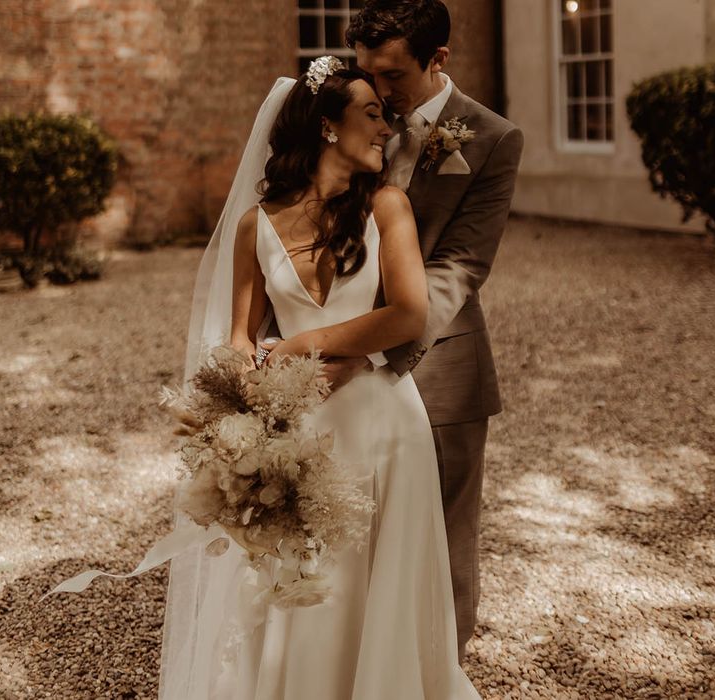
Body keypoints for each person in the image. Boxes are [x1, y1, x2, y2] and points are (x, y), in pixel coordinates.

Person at [159, 62, 482, 698]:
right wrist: (242, 410)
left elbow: (410, 312)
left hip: (382, 425)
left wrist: (309, 343)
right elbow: (241, 337)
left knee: (380, 584)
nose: (387, 128)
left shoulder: (388, 207)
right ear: (327, 127)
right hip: (299, 433)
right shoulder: (256, 226)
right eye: (371, 114)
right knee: (301, 579)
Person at [329, 0, 524, 660]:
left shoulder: (491, 137)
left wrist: (365, 347)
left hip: (437, 369)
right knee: (346, 536)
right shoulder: (346, 109)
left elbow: (460, 265)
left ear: (439, 60)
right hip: (330, 363)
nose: (377, 93)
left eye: (392, 76)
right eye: (366, 73)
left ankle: (438, 673)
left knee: (440, 547)